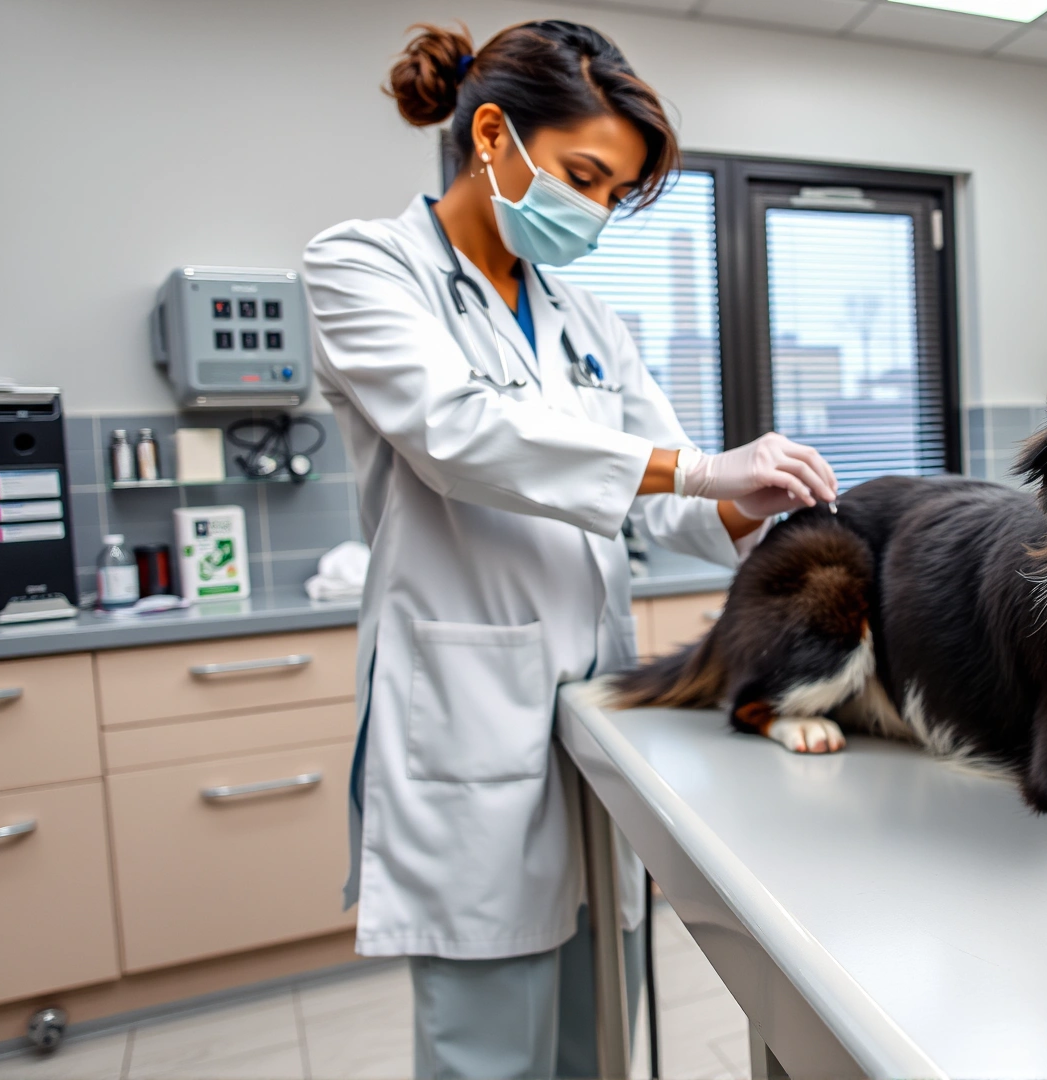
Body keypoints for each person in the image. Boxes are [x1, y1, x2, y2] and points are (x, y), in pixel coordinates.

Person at [302, 20, 837, 1079]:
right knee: (490, 1051)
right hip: (465, 720)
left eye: (612, 195)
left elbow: (673, 506)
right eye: (583, 176)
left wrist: (747, 497)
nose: (593, 212)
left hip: (597, 721)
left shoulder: (588, 318)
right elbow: (459, 436)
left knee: (599, 1036)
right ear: (491, 133)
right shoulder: (364, 266)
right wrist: (692, 470)